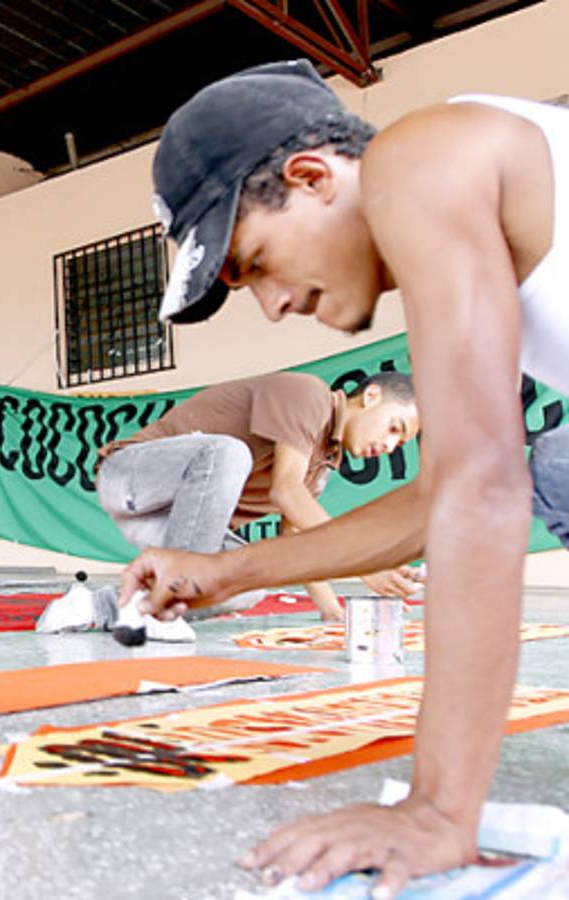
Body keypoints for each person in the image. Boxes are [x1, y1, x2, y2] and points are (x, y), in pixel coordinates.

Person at [118, 59, 568, 895]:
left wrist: (438, 811)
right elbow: (443, 496)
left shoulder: (419, 160)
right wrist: (229, 570)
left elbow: (481, 491)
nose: (273, 307)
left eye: (253, 263)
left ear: (313, 177)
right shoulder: (468, 206)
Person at [96, 370, 420, 622]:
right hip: (129, 477)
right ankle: (165, 607)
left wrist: (331, 610)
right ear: (372, 396)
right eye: (395, 428)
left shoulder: (321, 462)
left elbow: (295, 536)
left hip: (175, 520)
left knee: (243, 585)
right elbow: (286, 491)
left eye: (399, 444)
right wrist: (365, 561)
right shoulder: (311, 396)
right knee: (229, 453)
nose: (389, 446)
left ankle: (104, 607)